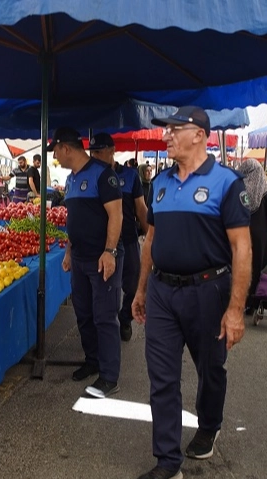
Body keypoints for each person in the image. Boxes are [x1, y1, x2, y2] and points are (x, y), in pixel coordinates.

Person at [132, 106, 251, 479]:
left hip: (208, 291)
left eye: (174, 129)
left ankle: (208, 426)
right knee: (162, 378)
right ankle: (168, 461)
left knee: (211, 370)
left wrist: (235, 309)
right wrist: (140, 289)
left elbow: (242, 248)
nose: (166, 136)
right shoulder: (160, 183)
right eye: (165, 130)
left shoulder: (226, 182)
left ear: (199, 134)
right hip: (163, 292)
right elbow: (150, 239)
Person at [49, 127, 124, 399]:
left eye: (56, 151)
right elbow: (75, 221)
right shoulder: (70, 180)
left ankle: (109, 376)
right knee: (83, 314)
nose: (55, 157)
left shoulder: (104, 175)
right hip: (79, 258)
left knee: (105, 317)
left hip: (101, 258)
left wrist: (110, 251)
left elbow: (116, 215)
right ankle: (92, 360)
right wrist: (69, 251)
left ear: (66, 148)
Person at [89, 133, 149, 342]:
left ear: (111, 151)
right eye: (92, 152)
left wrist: (150, 235)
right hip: (102, 243)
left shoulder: (131, 176)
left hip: (129, 239)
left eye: (98, 151)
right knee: (104, 289)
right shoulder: (92, 175)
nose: (94, 156)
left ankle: (125, 318)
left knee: (133, 286)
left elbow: (141, 209)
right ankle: (104, 329)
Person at [237, 158, 267, 312]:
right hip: (260, 237)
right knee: (256, 268)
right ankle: (252, 303)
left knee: (240, 266)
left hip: (241, 233)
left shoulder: (238, 189)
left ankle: (239, 300)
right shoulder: (264, 190)